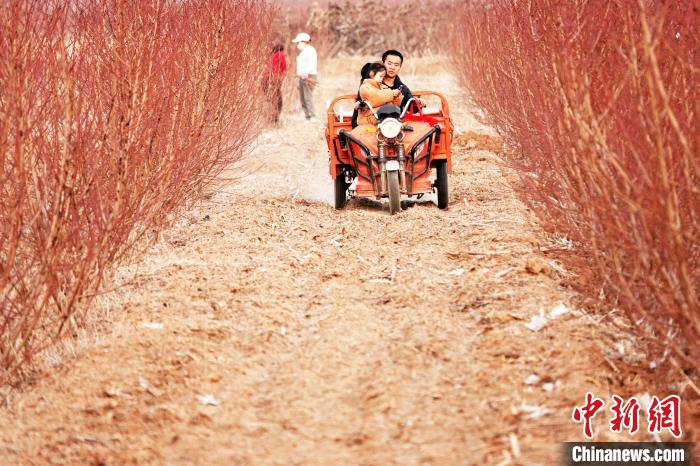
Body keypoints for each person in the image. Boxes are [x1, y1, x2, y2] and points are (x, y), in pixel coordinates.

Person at [352, 49, 416, 128]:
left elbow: (411, 106)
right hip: (368, 124)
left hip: (391, 126)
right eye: (389, 63)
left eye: (396, 65)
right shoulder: (370, 82)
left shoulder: (401, 88)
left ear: (400, 67)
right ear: (383, 63)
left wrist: (417, 102)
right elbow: (363, 101)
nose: (392, 67)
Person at [292, 32, 318, 121]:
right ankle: (307, 116)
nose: (297, 45)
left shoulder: (310, 50)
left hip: (309, 75)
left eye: (298, 42)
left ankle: (312, 116)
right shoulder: (304, 51)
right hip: (302, 76)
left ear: (304, 41)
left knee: (308, 97)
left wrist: (306, 73)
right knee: (302, 97)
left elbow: (311, 63)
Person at [264, 44, 287, 124]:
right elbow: (284, 67)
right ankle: (274, 120)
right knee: (278, 101)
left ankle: (270, 119)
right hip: (274, 80)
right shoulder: (281, 54)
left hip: (265, 80)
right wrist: (281, 77)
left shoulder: (271, 56)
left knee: (270, 100)